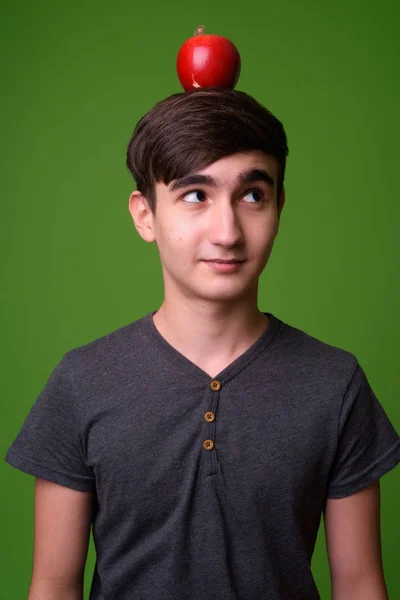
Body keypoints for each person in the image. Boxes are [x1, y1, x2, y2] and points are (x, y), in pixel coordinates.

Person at [5, 87, 400, 600]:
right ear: (145, 214)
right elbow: (55, 584)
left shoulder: (335, 383)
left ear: (280, 204)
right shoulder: (82, 381)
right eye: (196, 196)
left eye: (252, 195)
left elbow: (360, 585)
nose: (228, 231)